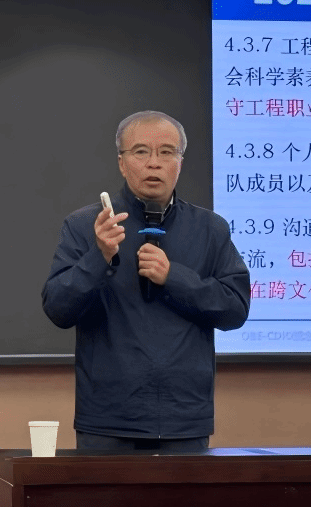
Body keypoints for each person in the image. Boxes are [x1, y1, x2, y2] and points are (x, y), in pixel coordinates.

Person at [42, 111, 250, 452]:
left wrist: (174, 277)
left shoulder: (210, 229)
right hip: (107, 420)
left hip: (184, 419)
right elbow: (57, 309)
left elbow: (235, 309)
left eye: (167, 152)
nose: (154, 163)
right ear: (122, 163)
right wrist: (99, 256)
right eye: (141, 152)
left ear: (180, 163)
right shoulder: (86, 226)